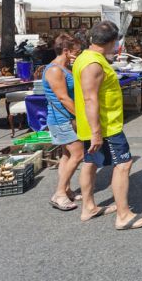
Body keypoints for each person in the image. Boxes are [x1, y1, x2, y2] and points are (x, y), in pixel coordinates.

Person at [73, 21, 142, 229]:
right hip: (105, 125)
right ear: (111, 42)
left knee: (90, 163)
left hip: (91, 124)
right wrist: (97, 132)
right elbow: (91, 99)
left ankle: (89, 207)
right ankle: (124, 215)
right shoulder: (94, 64)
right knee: (124, 164)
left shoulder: (85, 57)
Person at [43, 34, 84, 211]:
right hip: (61, 119)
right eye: (76, 51)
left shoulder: (64, 67)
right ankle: (59, 193)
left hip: (64, 119)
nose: (78, 54)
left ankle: (66, 189)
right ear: (66, 51)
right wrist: (82, 117)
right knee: (78, 154)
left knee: (67, 156)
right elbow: (63, 98)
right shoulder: (55, 70)